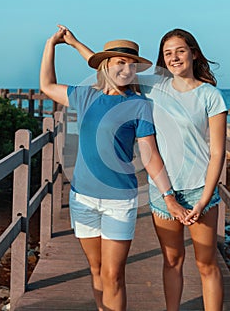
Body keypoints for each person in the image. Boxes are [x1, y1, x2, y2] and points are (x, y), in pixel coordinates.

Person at [57, 25, 227, 310]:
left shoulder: (210, 95)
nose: (174, 58)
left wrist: (206, 198)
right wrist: (75, 43)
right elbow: (110, 65)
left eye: (180, 51)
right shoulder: (155, 86)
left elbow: (218, 151)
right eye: (168, 53)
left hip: (200, 189)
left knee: (206, 264)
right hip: (164, 192)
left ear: (193, 53)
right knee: (172, 261)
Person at [39, 26, 186, 311]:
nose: (127, 69)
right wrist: (53, 44)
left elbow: (150, 155)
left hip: (120, 200)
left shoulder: (140, 105)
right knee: (96, 272)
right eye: (120, 62)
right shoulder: (85, 97)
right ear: (106, 65)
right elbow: (46, 85)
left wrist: (169, 197)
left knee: (113, 275)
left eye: (132, 64)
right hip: (82, 199)